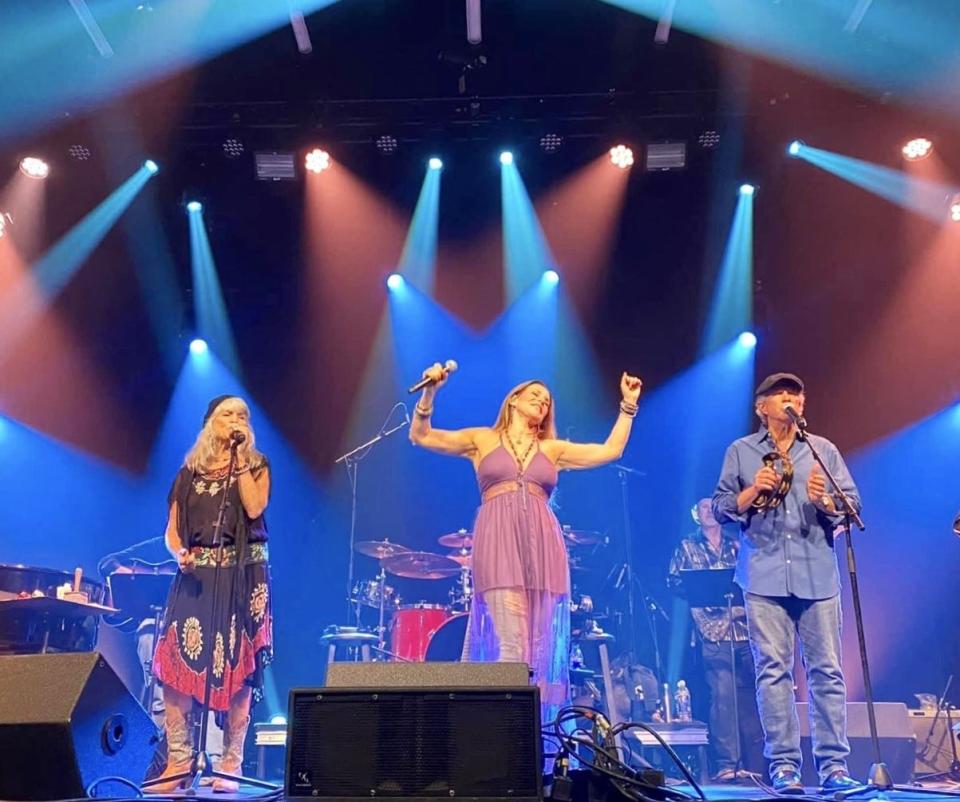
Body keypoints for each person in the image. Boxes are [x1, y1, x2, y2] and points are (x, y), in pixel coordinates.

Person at [409, 364, 643, 729]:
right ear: (514, 400)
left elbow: (610, 450)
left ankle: (540, 743)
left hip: (543, 547)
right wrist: (430, 393)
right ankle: (503, 736)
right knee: (513, 646)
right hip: (499, 542)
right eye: (535, 394)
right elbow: (421, 436)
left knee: (540, 649)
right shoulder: (481, 440)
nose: (542, 402)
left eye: (547, 401)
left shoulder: (552, 449)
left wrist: (627, 407)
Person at [712, 373, 861, 793]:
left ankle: (834, 767)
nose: (790, 398)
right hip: (763, 574)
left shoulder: (822, 450)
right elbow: (721, 507)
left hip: (818, 574)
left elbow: (853, 507)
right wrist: (751, 491)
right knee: (773, 672)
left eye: (796, 392)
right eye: (780, 394)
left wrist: (825, 501)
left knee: (827, 672)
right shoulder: (741, 452)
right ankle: (785, 766)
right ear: (761, 407)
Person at [149, 396, 273, 793]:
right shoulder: (188, 473)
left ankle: (230, 765)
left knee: (239, 668)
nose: (236, 419)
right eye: (228, 414)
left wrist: (238, 461)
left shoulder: (256, 465)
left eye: (243, 415)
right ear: (210, 424)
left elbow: (254, 509)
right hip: (197, 575)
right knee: (174, 666)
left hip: (243, 574)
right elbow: (172, 530)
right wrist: (178, 553)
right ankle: (179, 761)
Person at [668, 499, 764, 782]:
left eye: (713, 507)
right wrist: (699, 591)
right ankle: (726, 764)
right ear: (695, 514)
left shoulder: (737, 544)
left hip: (746, 630)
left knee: (751, 697)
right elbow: (673, 581)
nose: (709, 511)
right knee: (723, 695)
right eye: (703, 508)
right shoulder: (687, 546)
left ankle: (756, 763)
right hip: (712, 630)